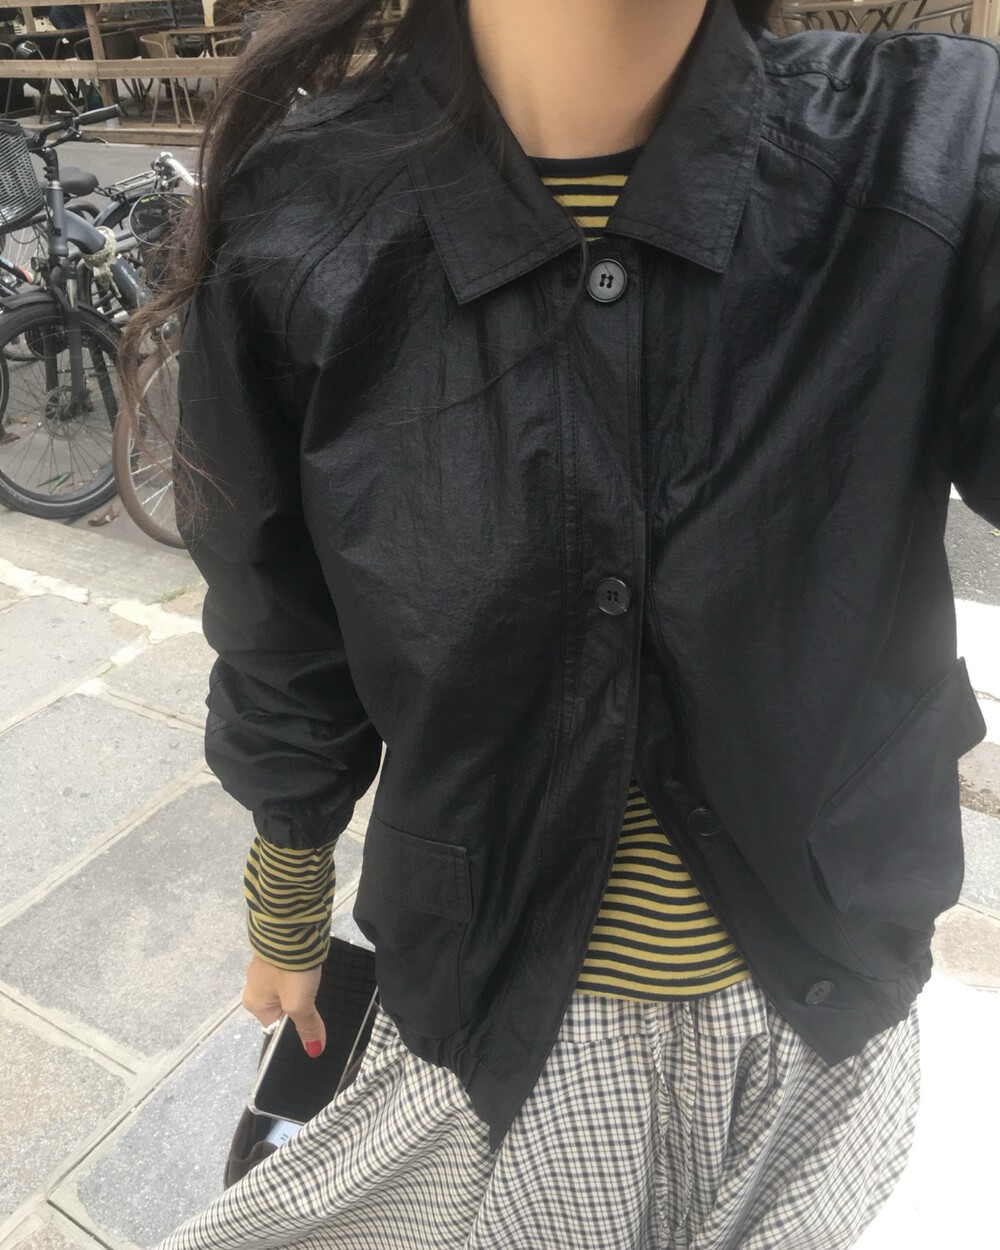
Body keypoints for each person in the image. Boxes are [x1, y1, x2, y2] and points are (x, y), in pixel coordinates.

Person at [127, 0, 999, 1246]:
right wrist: (288, 901)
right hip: (503, 1027)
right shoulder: (303, 214)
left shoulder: (928, 152)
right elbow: (281, 626)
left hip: (828, 1021)